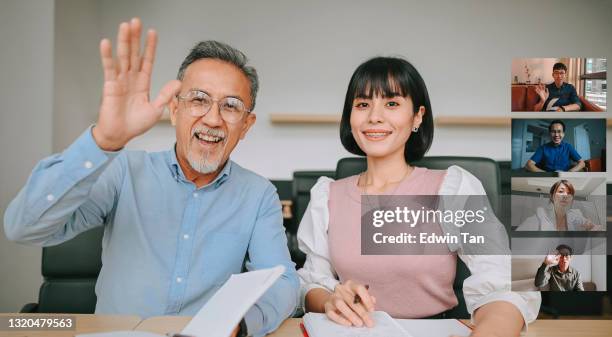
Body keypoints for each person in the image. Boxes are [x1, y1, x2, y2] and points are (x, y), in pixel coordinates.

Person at [3, 18, 297, 337]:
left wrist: (241, 325)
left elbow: (286, 282)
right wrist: (103, 142)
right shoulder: (123, 171)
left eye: (230, 106)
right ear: (174, 109)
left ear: (246, 125)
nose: (213, 118)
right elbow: (22, 227)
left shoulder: (260, 195)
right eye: (199, 99)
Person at [297, 57, 540, 336]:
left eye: (392, 103)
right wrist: (331, 300)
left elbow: (504, 284)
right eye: (363, 104)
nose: (374, 116)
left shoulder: (453, 188)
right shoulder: (326, 196)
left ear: (417, 116)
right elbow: (310, 283)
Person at [516, 179, 600, 231]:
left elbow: (596, 227)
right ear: (552, 196)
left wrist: (591, 227)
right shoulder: (536, 220)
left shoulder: (575, 215)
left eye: (569, 193)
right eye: (560, 191)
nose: (565, 196)